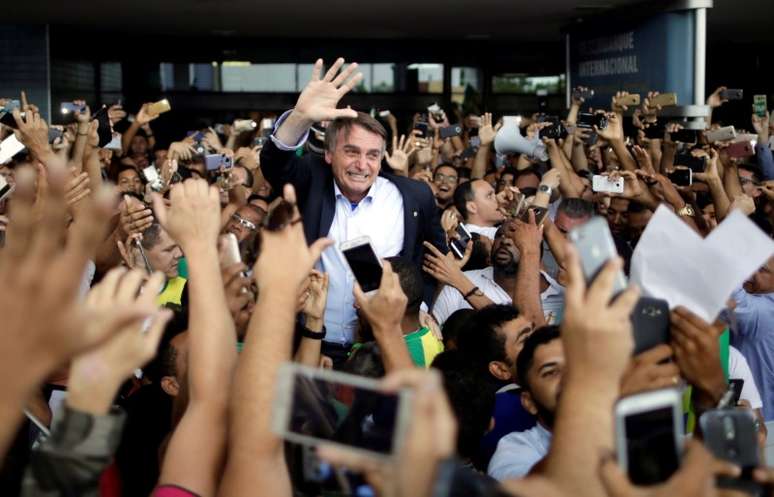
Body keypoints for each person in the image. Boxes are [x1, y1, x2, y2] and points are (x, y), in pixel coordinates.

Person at [260, 58, 446, 354]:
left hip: (382, 347)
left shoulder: (414, 196)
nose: (362, 165)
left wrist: (417, 308)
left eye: (373, 155)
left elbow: (434, 262)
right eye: (352, 152)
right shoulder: (312, 180)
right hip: (313, 343)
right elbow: (274, 164)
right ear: (330, 154)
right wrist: (300, 117)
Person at [488, 326, 562, 481]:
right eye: (551, 372)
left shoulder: (621, 425)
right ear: (529, 402)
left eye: (577, 367)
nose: (568, 378)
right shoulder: (513, 453)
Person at [729, 257, 774, 420]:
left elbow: (735, 299)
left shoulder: (765, 313)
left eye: (762, 269)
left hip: (761, 423)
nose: (751, 271)